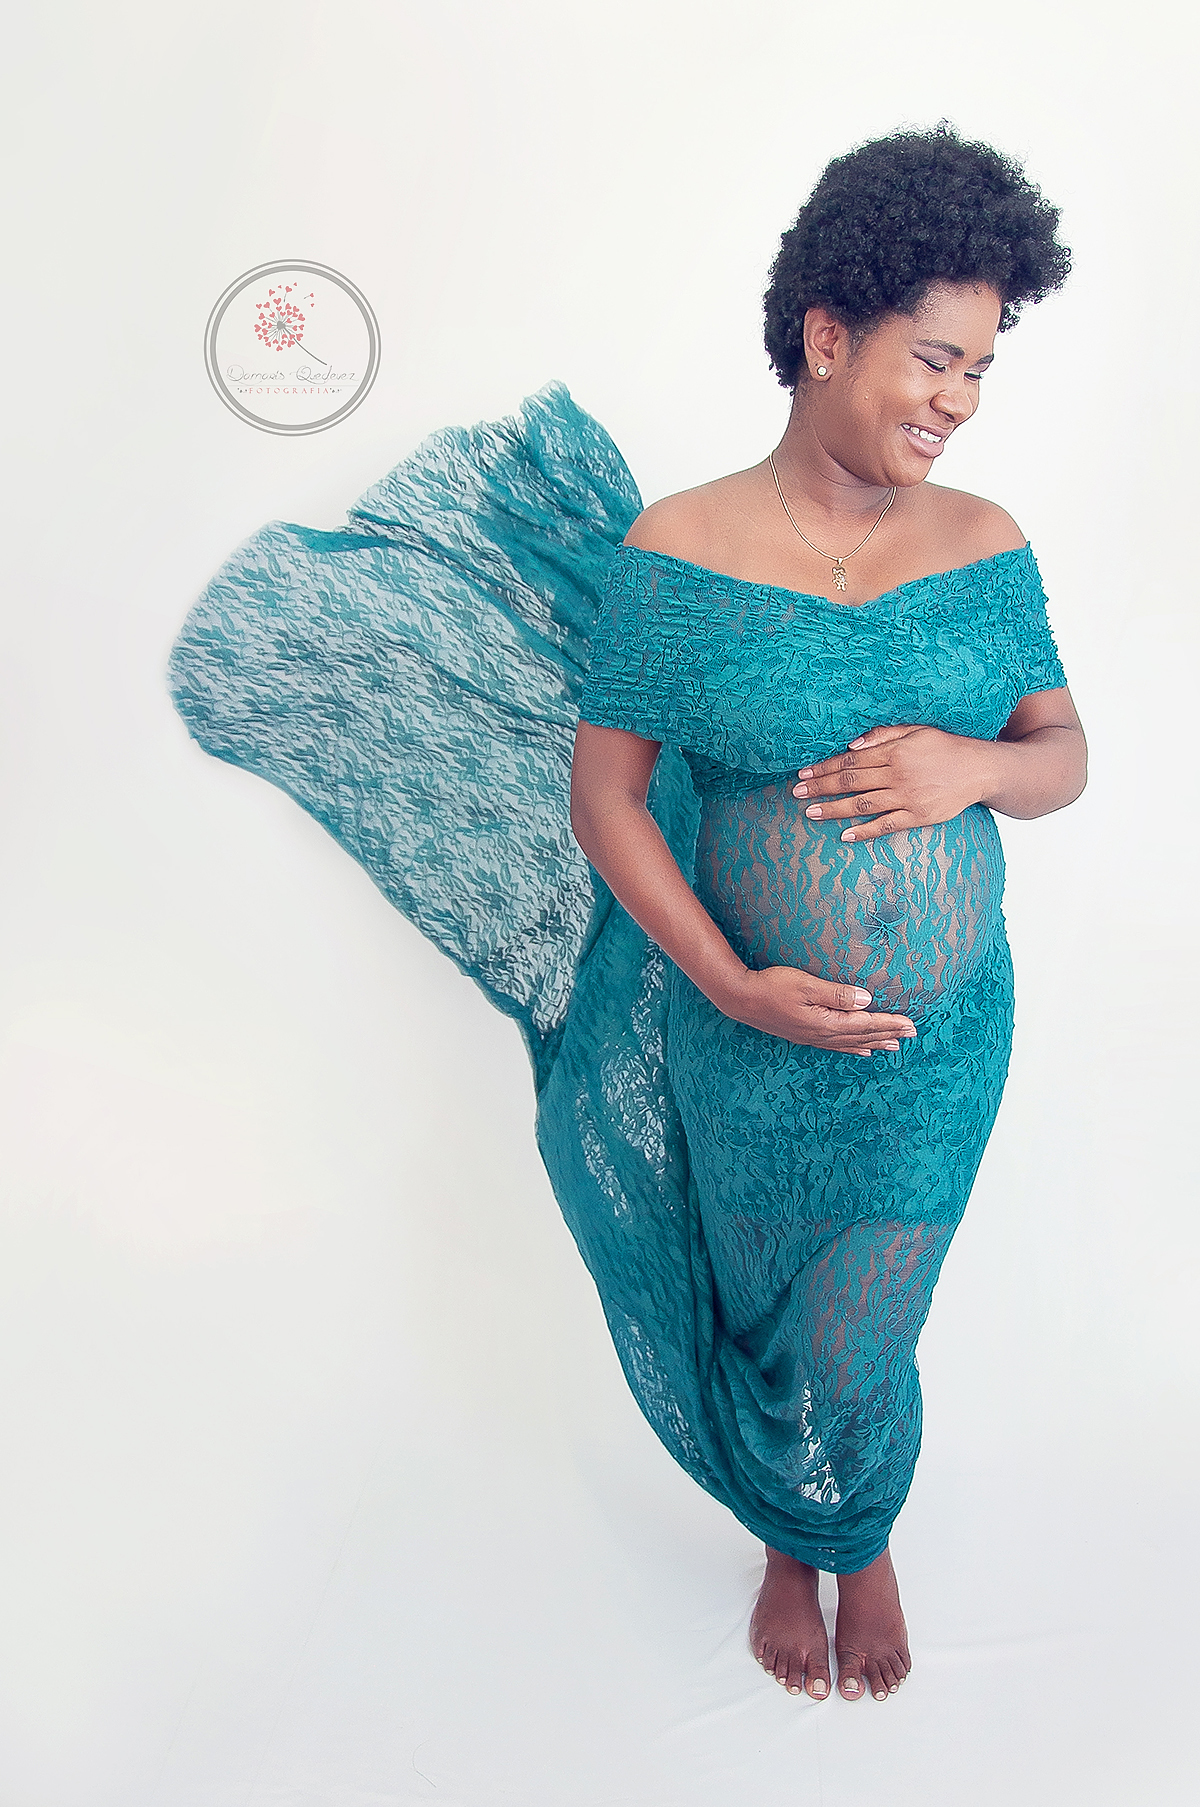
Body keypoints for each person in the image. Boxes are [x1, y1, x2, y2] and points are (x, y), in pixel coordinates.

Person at [169, 124, 1084, 1712]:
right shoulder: (682, 552)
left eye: (982, 373)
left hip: (934, 1048)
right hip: (745, 1041)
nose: (960, 400)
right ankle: (787, 1527)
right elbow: (606, 799)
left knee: (867, 1323)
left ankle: (853, 1533)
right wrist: (727, 986)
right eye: (937, 360)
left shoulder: (985, 543)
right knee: (759, 1305)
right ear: (828, 336)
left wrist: (976, 766)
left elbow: (1063, 757)